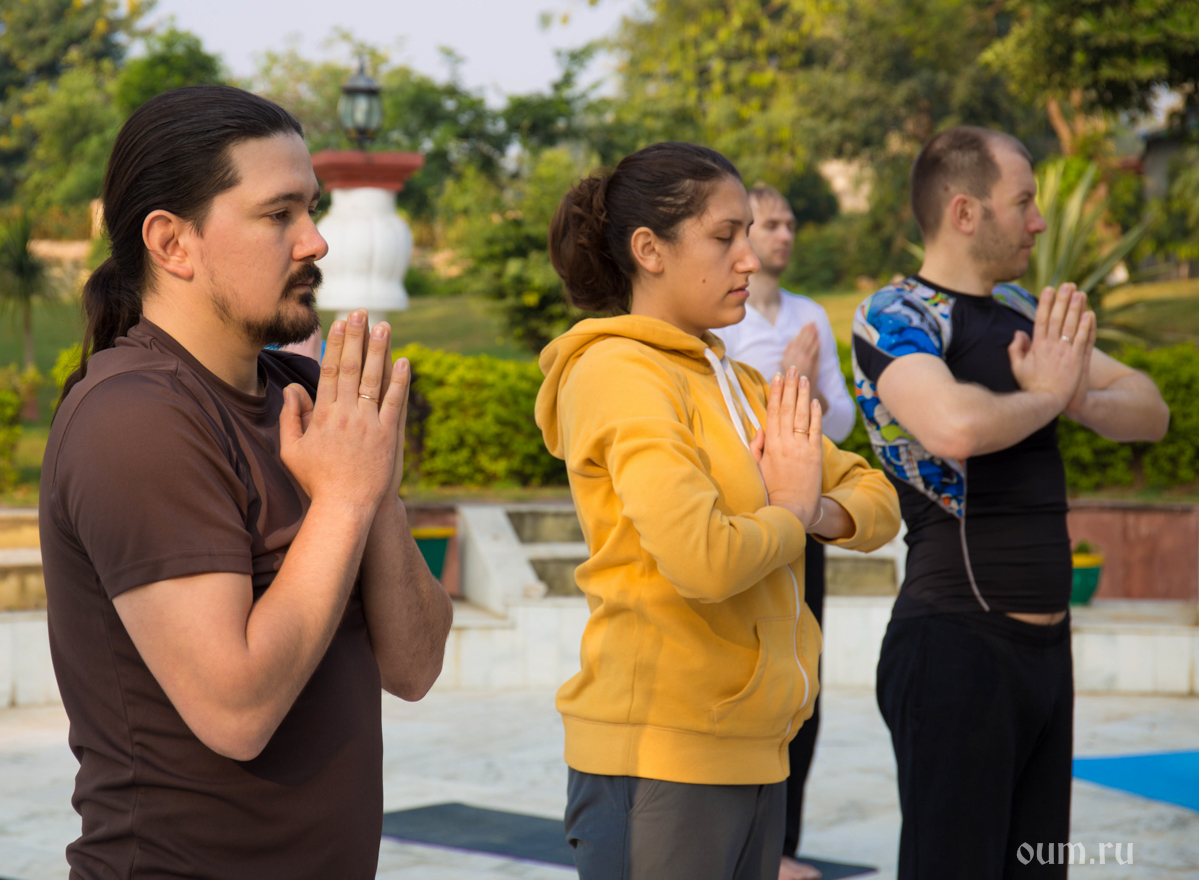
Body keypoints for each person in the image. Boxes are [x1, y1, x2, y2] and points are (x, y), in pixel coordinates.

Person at [40, 86, 454, 879]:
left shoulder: (308, 404)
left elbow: (415, 667)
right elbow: (236, 712)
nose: (316, 241)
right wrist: (343, 499)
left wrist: (372, 490)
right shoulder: (134, 420)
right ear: (172, 242)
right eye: (278, 214)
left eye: (313, 209)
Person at [536, 141, 902, 880]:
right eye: (724, 236)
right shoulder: (616, 372)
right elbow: (702, 559)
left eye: (749, 235)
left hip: (757, 749)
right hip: (660, 752)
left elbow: (878, 498)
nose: (749, 259)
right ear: (649, 250)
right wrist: (792, 510)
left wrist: (808, 511)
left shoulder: (740, 383)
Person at [851, 126, 1170, 879]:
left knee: (1036, 865)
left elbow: (1148, 409)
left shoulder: (1023, 309)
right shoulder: (897, 315)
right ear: (965, 212)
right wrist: (1052, 396)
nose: (1039, 220)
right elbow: (954, 427)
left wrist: (1072, 399)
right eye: (1022, 202)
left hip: (1044, 655)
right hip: (954, 649)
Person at [713, 183, 856, 880]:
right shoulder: (721, 318)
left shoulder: (809, 316)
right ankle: (738, 843)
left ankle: (783, 846)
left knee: (803, 679)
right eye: (768, 223)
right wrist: (784, 389)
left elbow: (841, 424)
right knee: (743, 676)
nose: (783, 235)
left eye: (789, 223)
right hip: (740, 521)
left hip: (804, 517)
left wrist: (805, 387)